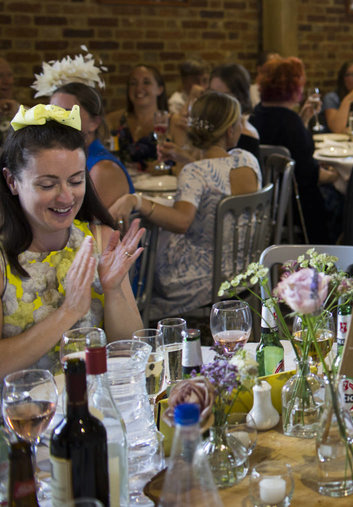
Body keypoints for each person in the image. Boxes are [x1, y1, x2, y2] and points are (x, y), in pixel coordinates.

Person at [0, 104, 144, 375]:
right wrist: (68, 312)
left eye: (76, 181)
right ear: (12, 181)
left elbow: (130, 350)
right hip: (22, 414)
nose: (66, 197)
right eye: (47, 184)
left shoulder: (99, 240)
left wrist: (113, 291)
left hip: (93, 405)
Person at [109, 92, 261, 321]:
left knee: (144, 239)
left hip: (201, 278)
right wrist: (184, 156)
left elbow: (181, 222)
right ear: (230, 130)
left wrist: (136, 200)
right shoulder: (247, 160)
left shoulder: (195, 173)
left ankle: (133, 314)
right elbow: (217, 174)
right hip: (244, 268)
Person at [250, 56, 339, 243]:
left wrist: (303, 119)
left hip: (264, 201)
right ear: (294, 87)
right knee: (341, 200)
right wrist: (335, 176)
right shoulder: (291, 123)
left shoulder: (256, 115)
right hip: (294, 206)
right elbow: (307, 174)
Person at [50, 83, 134, 208]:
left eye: (68, 113)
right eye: (53, 112)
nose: (58, 120)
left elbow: (93, 225)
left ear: (94, 123)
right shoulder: (62, 160)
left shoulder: (103, 169)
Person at [106, 65, 169, 166]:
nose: (139, 88)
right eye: (133, 83)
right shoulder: (113, 120)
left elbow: (184, 164)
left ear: (160, 89)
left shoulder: (173, 122)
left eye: (146, 82)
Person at [206, 63, 260, 159]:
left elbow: (220, 171)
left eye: (223, 96)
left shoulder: (244, 135)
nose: (214, 101)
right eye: (212, 93)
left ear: (240, 97)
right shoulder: (211, 125)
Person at [322, 62, 353, 134]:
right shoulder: (332, 98)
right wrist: (348, 99)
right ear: (343, 78)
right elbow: (337, 129)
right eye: (352, 75)